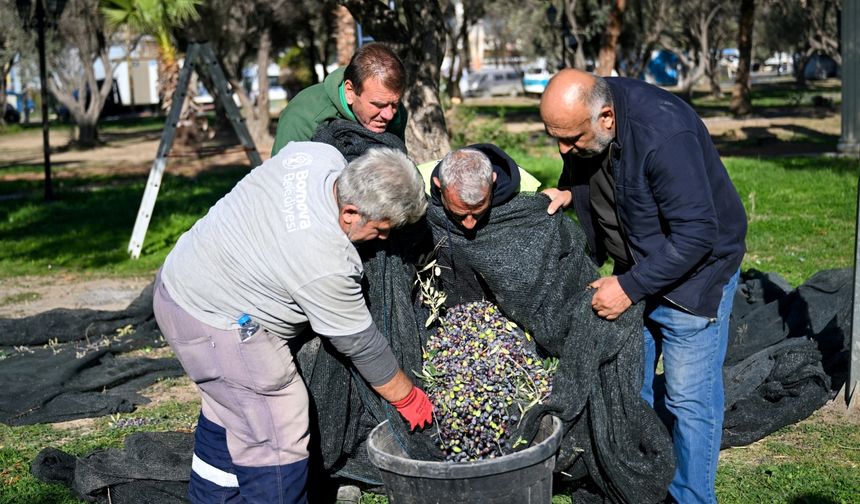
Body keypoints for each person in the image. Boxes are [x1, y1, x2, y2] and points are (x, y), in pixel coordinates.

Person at [152, 142, 433, 504]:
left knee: (232, 410)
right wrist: (407, 397)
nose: (383, 239)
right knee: (276, 425)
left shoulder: (315, 156)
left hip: (180, 280)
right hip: (215, 321)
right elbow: (361, 344)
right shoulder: (326, 260)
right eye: (380, 229)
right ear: (350, 212)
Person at [540, 68, 747, 504]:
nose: (563, 150)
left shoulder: (665, 135)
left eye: (571, 140)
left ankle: (691, 497)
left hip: (695, 277)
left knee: (688, 400)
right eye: (554, 138)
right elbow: (595, 169)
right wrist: (567, 191)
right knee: (628, 385)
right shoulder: (591, 114)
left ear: (607, 118)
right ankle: (638, 485)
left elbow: (697, 235)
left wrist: (629, 287)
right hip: (637, 266)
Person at [271, 42, 408, 156]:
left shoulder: (395, 110)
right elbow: (282, 176)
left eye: (395, 104)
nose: (389, 115)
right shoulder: (302, 115)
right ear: (350, 91)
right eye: (378, 105)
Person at [430, 144, 522, 231]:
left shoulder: (526, 191)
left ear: (493, 181)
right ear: (440, 188)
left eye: (478, 213)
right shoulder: (422, 192)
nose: (470, 225)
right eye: (458, 215)